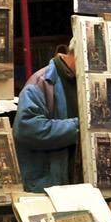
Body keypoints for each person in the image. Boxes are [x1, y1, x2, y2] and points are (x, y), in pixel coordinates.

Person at [14, 42, 80, 192]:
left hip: (79, 188)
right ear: (79, 54)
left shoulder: (85, 81)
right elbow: (26, 129)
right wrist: (80, 128)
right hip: (48, 188)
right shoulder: (40, 83)